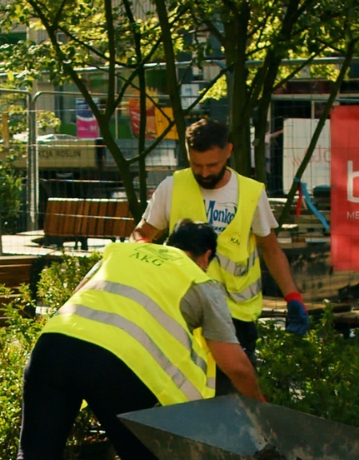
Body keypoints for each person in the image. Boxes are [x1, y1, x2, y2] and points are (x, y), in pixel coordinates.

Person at [0, 222, 263, 460]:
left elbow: (83, 296)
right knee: (140, 459)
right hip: (118, 364)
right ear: (207, 257)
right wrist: (261, 411)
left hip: (55, 346)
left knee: (33, 457)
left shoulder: (120, 252)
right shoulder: (200, 280)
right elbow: (235, 364)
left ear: (170, 243)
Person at [132, 117, 310, 375]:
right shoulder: (172, 187)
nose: (204, 173)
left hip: (235, 315)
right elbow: (140, 236)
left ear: (229, 151)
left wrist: (292, 297)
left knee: (232, 394)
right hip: (183, 310)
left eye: (212, 165)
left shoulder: (251, 193)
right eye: (196, 165)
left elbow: (270, 249)